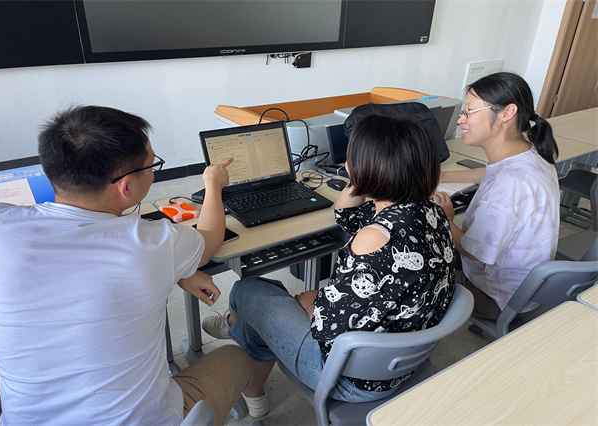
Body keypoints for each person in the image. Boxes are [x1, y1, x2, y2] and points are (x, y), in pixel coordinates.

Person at [0, 105, 252, 425]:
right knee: (236, 357)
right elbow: (210, 238)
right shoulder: (156, 243)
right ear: (126, 187)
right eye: (152, 165)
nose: (154, 171)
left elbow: (71, 258)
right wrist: (213, 183)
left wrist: (176, 271)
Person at [202, 114, 456, 417]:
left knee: (247, 290)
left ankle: (237, 331)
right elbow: (346, 216)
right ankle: (247, 357)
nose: (346, 164)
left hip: (352, 377)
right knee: (267, 307)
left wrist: (313, 304)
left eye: (352, 158)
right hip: (402, 359)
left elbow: (330, 328)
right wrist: (362, 179)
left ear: (369, 167)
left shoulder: (374, 239)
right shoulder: (432, 212)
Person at [432, 71, 560, 320]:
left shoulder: (508, 186)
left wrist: (447, 219)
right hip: (528, 287)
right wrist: (444, 176)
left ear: (507, 113)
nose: (461, 120)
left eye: (469, 112)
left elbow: (474, 251)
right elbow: (490, 173)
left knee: (420, 259)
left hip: (498, 297)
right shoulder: (530, 153)